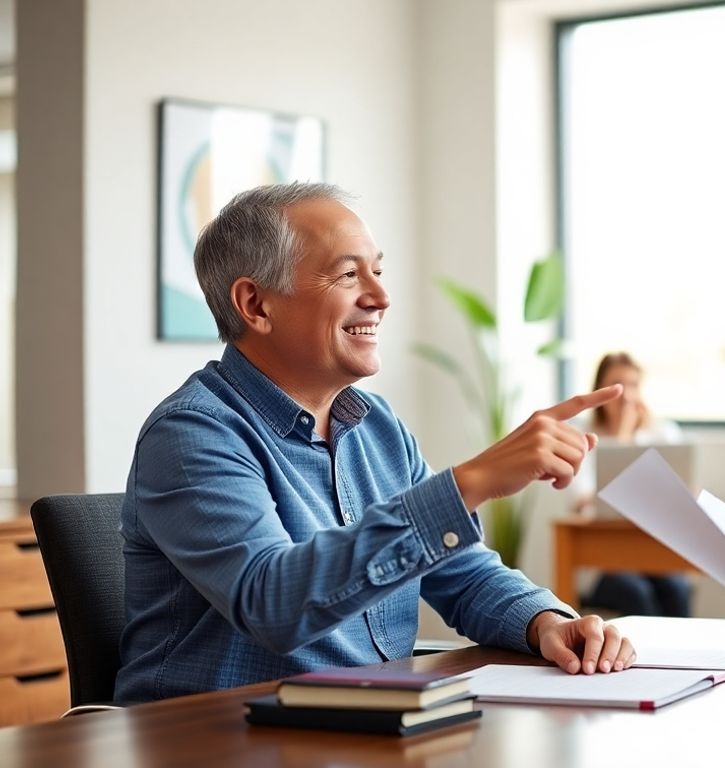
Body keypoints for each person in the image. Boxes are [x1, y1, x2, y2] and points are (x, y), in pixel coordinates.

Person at [115, 183, 634, 704]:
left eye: (377, 272)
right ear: (255, 304)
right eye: (347, 274)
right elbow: (271, 603)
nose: (381, 297)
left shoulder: (376, 425)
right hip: (213, 739)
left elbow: (459, 573)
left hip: (363, 722)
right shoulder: (192, 434)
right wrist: (468, 484)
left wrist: (543, 622)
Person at [574, 352, 691, 617]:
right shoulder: (582, 436)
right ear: (600, 390)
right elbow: (582, 501)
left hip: (652, 554)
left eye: (634, 385)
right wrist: (622, 435)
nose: (627, 395)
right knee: (636, 593)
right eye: (618, 385)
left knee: (677, 587)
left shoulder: (662, 433)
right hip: (601, 563)